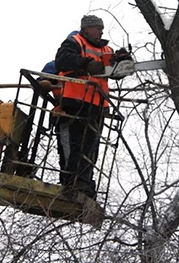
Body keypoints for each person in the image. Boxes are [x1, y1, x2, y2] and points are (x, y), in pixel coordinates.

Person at [52, 15, 130, 199]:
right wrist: (86, 64)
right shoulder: (74, 42)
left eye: (101, 28)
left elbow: (114, 73)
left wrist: (123, 61)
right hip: (75, 103)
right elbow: (63, 60)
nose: (101, 31)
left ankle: (85, 183)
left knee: (90, 148)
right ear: (86, 29)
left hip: (97, 107)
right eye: (97, 28)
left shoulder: (106, 49)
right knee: (74, 145)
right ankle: (71, 182)